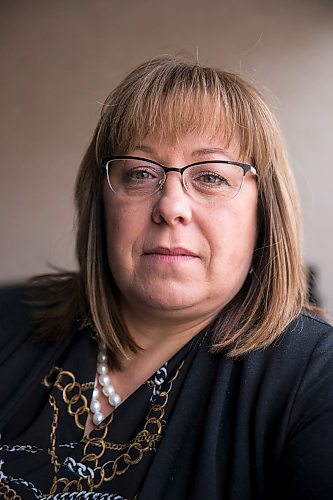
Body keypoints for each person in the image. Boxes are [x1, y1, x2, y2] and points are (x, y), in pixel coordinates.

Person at [1, 55, 333, 500]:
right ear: (102, 204)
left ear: (264, 211)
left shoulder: (316, 380)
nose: (170, 205)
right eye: (140, 173)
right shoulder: (10, 319)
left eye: (211, 176)